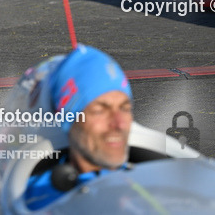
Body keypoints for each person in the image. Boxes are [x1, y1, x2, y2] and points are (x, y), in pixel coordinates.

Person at [23, 45, 133, 209]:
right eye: (99, 110)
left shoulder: (159, 184)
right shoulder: (30, 200)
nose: (119, 124)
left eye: (125, 108)